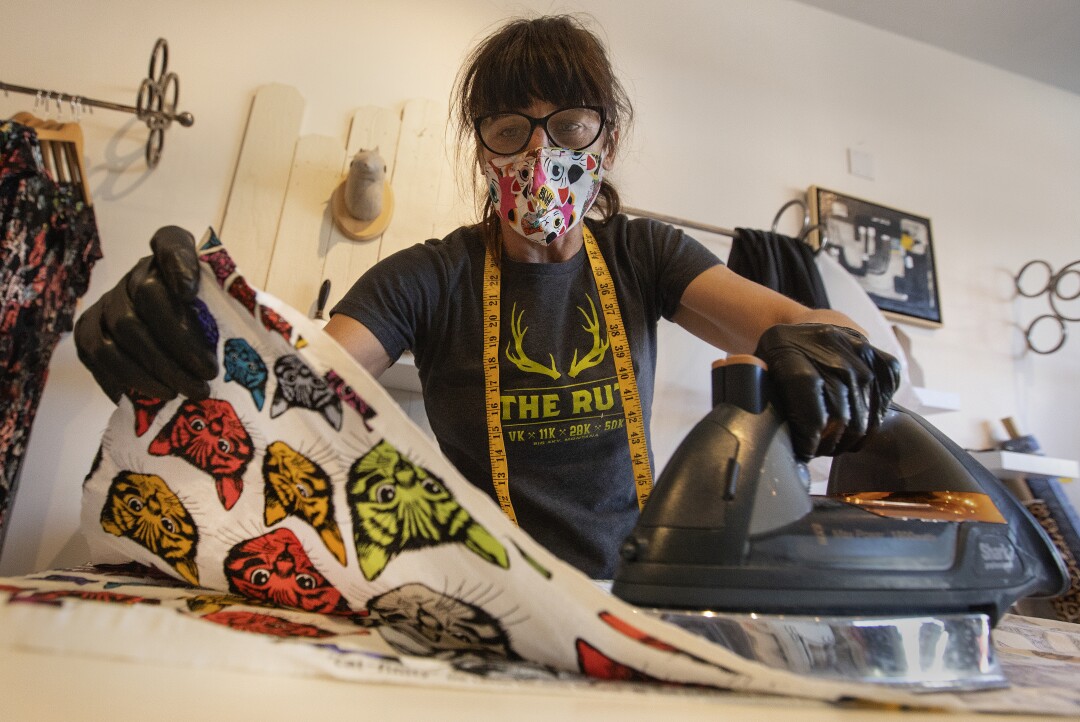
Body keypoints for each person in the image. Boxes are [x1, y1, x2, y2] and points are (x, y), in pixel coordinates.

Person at [74, 14, 899, 579]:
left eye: (569, 124)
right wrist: (189, 329)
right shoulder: (431, 276)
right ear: (484, 151)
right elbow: (296, 376)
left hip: (630, 584)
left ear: (606, 140)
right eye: (510, 129)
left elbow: (799, 322)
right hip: (486, 584)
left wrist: (827, 342)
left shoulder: (645, 254)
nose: (539, 150)